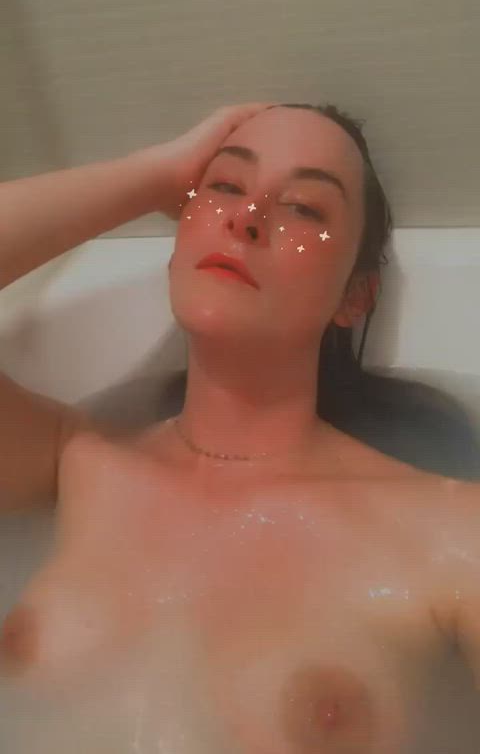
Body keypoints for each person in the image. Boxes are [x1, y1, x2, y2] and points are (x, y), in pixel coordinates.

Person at [1, 102, 480, 752]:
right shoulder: (75, 463)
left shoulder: (450, 533)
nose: (246, 216)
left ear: (354, 295)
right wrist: (154, 175)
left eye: (304, 208)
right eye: (224, 186)